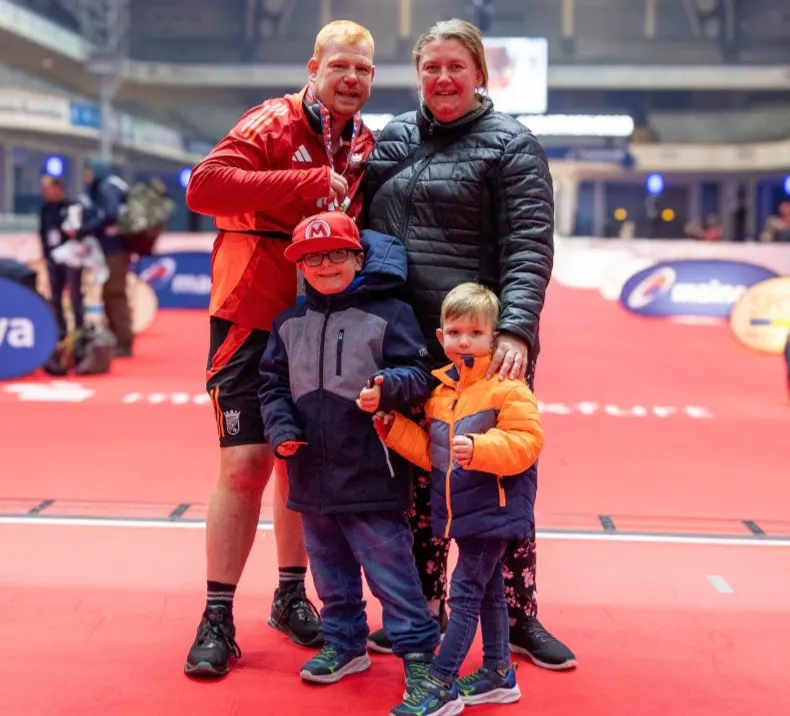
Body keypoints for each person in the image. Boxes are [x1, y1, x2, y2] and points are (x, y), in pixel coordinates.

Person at [363, 18, 576, 670]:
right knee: (421, 484)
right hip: (411, 345)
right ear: (418, 72)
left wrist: (514, 328)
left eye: (457, 67)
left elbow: (529, 247)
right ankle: (423, 604)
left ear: (480, 73)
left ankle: (518, 616)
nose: (444, 79)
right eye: (432, 68)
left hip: (484, 350)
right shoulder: (391, 139)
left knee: (500, 484)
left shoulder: (512, 145)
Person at [183, 20, 377, 677]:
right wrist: (295, 185)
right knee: (245, 464)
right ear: (315, 66)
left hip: (317, 323)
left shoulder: (365, 143)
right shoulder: (272, 121)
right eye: (341, 66)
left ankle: (291, 594)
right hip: (249, 315)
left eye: (365, 70)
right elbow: (204, 188)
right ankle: (216, 616)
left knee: (301, 464)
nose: (352, 78)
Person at [259, 211, 440, 687]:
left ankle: (420, 656)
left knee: (392, 574)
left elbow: (419, 376)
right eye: (312, 257)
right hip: (309, 476)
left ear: (358, 259)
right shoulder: (287, 323)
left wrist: (388, 386)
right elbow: (272, 385)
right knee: (329, 571)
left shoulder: (391, 313)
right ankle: (343, 642)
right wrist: (280, 430)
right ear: (300, 267)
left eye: (336, 254)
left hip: (371, 472)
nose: (324, 265)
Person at [380, 283, 543, 715]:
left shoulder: (508, 386)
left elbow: (528, 442)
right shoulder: (442, 393)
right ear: (441, 337)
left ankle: (440, 684)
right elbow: (433, 457)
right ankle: (498, 672)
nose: (463, 340)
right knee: (487, 590)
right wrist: (393, 430)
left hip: (496, 511)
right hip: (462, 512)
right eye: (454, 332)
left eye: (474, 332)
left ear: (494, 338)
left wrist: (482, 448)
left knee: (466, 594)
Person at [65, 159, 132, 357]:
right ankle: (117, 338)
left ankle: (123, 340)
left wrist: (86, 229)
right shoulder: (111, 187)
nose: (86, 176)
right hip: (112, 250)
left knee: (115, 294)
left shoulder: (106, 188)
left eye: (88, 172)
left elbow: (109, 215)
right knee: (109, 294)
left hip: (115, 251)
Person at [39, 175, 84, 340]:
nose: (45, 192)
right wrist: (46, 254)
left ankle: (80, 330)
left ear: (58, 189)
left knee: (75, 296)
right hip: (53, 258)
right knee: (56, 296)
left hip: (71, 257)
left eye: (48, 188)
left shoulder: (71, 207)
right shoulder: (45, 208)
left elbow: (78, 232)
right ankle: (61, 331)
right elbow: (43, 232)